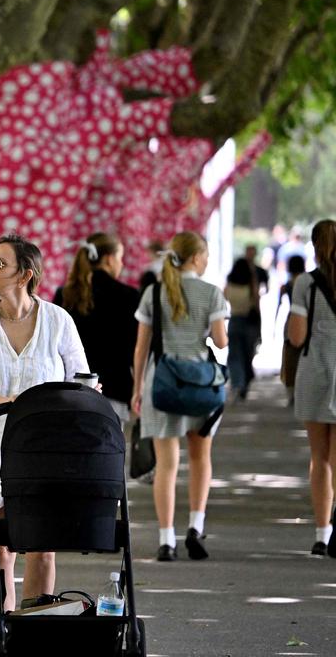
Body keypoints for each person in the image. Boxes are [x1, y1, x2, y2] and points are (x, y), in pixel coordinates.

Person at [0, 234, 88, 615]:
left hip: (46, 449)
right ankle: (2, 638)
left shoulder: (58, 320)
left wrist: (82, 393)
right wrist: (12, 403)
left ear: (25, 274)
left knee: (42, 549)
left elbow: (80, 377)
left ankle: (37, 635)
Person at [131, 232, 229, 562]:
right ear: (197, 257)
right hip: (200, 386)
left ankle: (166, 540)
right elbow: (220, 341)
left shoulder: (153, 292)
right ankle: (196, 528)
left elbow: (141, 347)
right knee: (201, 457)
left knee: (166, 466)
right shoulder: (211, 293)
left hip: (161, 385)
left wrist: (136, 391)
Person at [286, 220, 336, 557]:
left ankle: (322, 532)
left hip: (315, 374)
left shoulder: (306, 283)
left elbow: (297, 337)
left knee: (319, 458)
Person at [53, 233, 140, 425]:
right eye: (120, 258)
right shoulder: (128, 296)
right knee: (110, 451)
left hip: (70, 389)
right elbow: (135, 347)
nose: (122, 264)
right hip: (114, 388)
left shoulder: (64, 295)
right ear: (109, 259)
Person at [224, 258, 262, 401]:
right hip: (250, 322)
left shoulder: (230, 285)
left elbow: (224, 297)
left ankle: (237, 383)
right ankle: (244, 383)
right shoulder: (251, 284)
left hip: (234, 320)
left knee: (234, 355)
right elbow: (257, 305)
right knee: (247, 355)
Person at [278, 255, 308, 406]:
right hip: (307, 321)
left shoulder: (287, 285)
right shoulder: (309, 283)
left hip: (291, 320)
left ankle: (291, 390)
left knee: (290, 357)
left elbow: (278, 306)